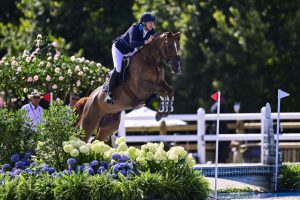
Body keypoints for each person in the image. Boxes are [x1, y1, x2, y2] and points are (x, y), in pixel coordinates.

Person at [104, 12, 156, 104]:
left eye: (152, 22)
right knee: (118, 69)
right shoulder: (135, 29)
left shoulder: (150, 30)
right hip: (119, 49)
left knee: (142, 63)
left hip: (130, 50)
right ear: (144, 23)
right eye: (150, 22)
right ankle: (109, 93)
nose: (152, 24)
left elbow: (154, 40)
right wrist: (146, 41)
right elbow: (133, 43)